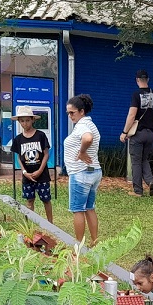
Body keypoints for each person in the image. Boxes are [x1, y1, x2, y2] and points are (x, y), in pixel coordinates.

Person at [64, 94, 102, 245]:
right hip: (94, 172)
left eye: (72, 112)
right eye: (68, 113)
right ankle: (95, 241)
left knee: (78, 210)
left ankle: (79, 245)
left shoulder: (82, 126)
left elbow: (87, 138)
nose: (70, 116)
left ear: (81, 111)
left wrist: (81, 152)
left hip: (81, 174)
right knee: (89, 208)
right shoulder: (91, 124)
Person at [119, 69, 153, 197]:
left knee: (136, 162)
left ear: (137, 80)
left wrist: (124, 132)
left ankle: (138, 191)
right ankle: (150, 181)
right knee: (144, 159)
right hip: (150, 133)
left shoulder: (136, 95)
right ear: (147, 79)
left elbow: (132, 115)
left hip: (138, 133)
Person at [10, 106, 53, 222]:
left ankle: (51, 224)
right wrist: (24, 172)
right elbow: (19, 157)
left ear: (33, 120)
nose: (25, 123)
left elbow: (46, 154)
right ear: (19, 122)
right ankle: (30, 224)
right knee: (29, 200)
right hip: (27, 176)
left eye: (27, 120)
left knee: (46, 199)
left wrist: (40, 171)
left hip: (42, 175)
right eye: (22, 121)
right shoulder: (18, 139)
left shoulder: (40, 135)